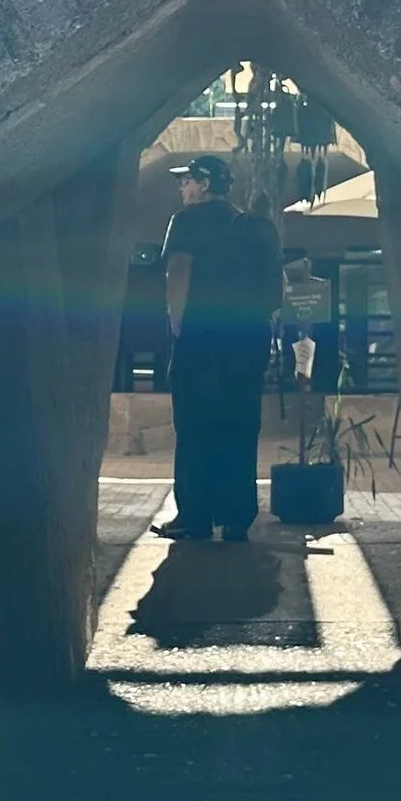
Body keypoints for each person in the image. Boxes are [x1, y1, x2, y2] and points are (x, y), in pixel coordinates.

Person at [156, 154, 282, 542]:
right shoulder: (260, 228)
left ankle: (195, 516)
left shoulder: (186, 222)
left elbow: (178, 272)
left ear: (204, 184)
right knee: (239, 428)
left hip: (201, 343)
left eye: (187, 181)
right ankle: (236, 517)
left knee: (195, 428)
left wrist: (177, 326)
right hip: (246, 345)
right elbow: (276, 291)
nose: (183, 188)